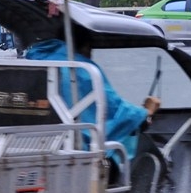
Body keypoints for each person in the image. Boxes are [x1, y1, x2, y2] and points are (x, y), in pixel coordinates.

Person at [24, 28, 159, 164]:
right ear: (86, 47)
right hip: (74, 150)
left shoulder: (34, 60)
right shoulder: (82, 70)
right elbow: (113, 109)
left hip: (30, 142)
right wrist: (145, 112)